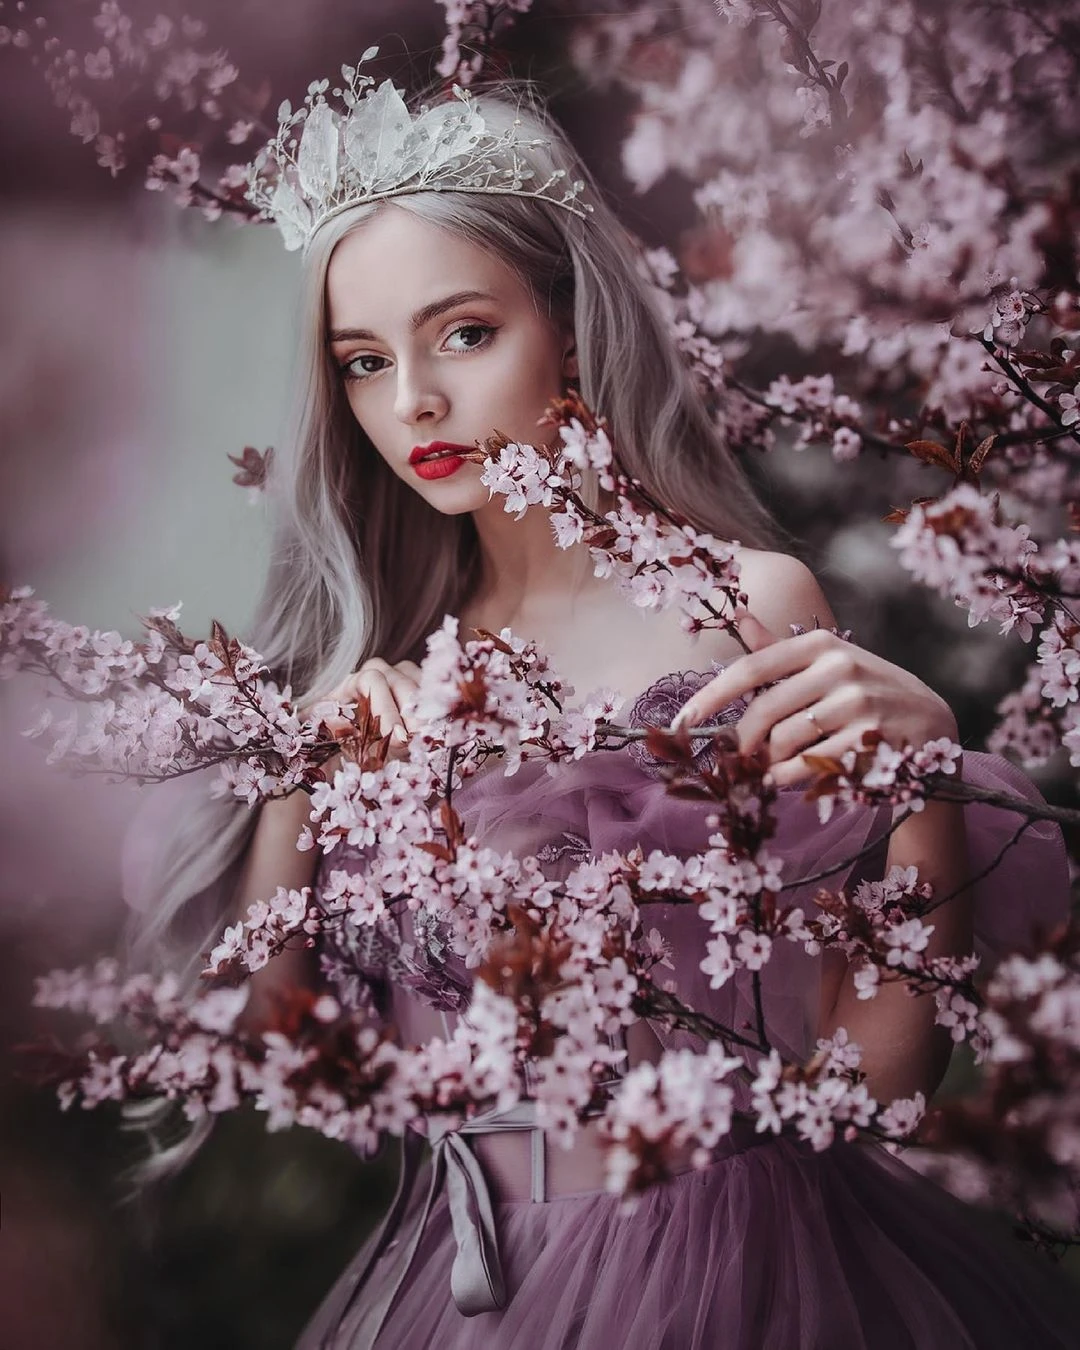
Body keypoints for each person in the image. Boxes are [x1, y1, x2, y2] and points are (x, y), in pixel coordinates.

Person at [126, 64, 1080, 1349]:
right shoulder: (390, 667)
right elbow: (284, 1060)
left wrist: (916, 792)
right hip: (475, 1283)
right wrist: (307, 775)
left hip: (746, 1265)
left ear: (568, 323)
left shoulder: (740, 607)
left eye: (463, 333)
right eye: (363, 361)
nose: (410, 402)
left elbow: (879, 1084)